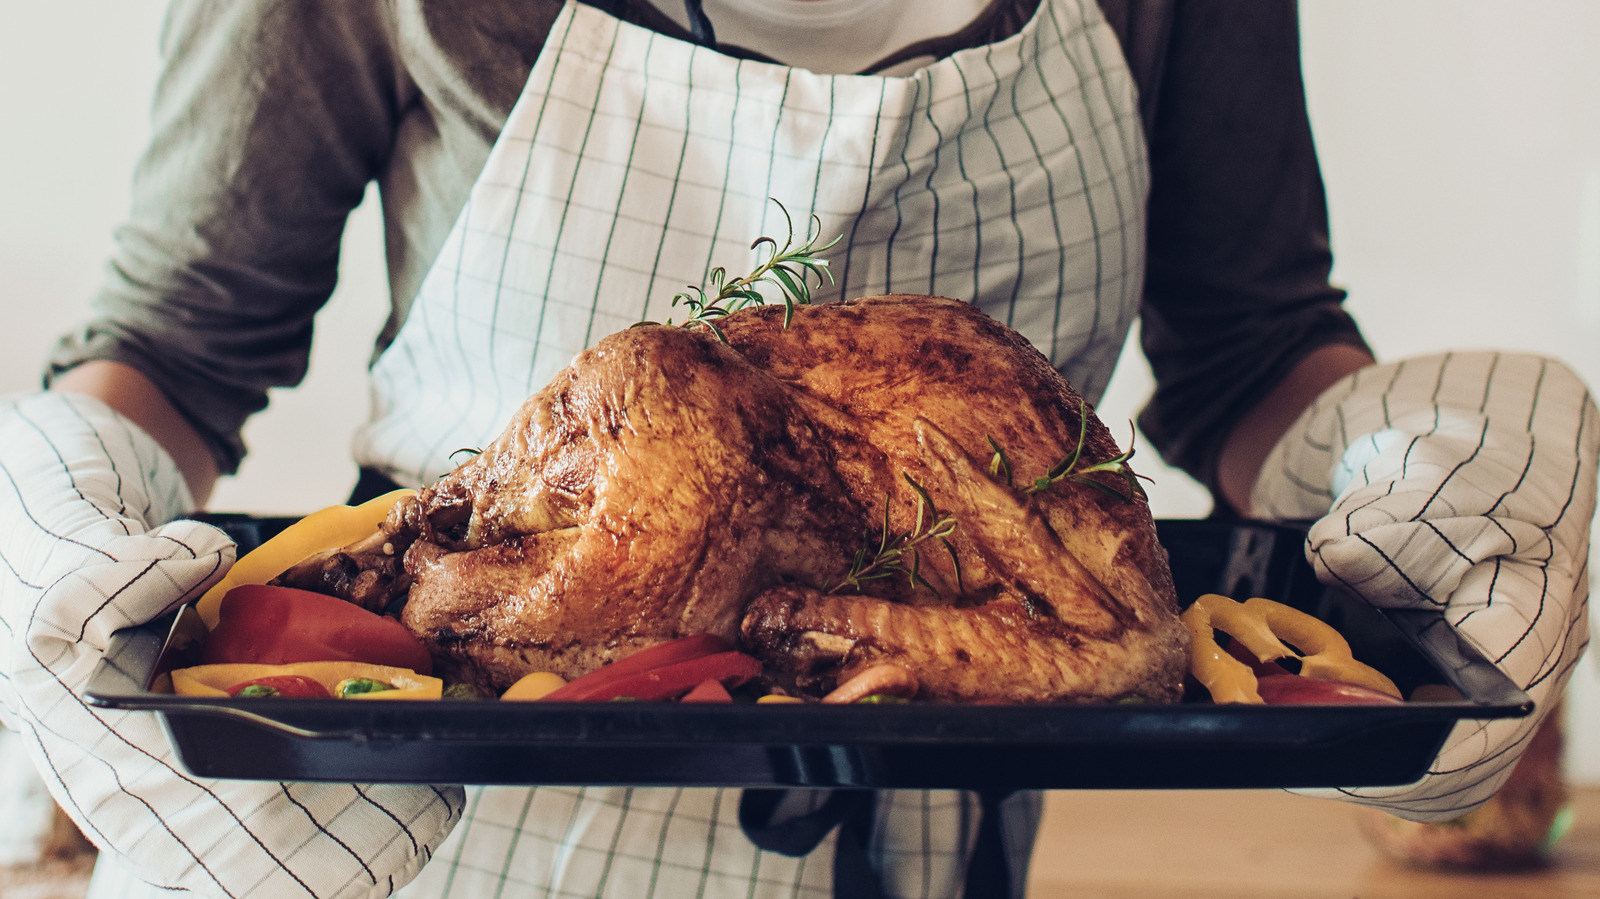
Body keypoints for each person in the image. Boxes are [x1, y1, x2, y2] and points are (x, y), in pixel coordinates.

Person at [0, 0, 1592, 896]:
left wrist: (1416, 469)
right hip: (429, 854)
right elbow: (178, 349)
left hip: (936, 864)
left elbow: (1252, 351)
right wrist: (64, 508)